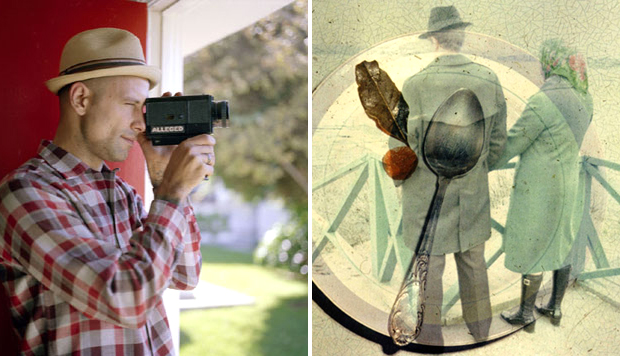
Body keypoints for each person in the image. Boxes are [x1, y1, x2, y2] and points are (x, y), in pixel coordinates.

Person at [0, 28, 216, 354]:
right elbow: (125, 300)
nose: (140, 124)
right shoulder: (24, 192)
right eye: (130, 103)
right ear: (81, 99)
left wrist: (165, 183)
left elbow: (185, 275)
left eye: (142, 108)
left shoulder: (122, 194)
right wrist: (170, 195)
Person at [393, 6, 507, 344]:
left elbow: (400, 148)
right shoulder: (488, 78)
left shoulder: (415, 84)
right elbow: (498, 140)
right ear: (462, 37)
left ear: (433, 39)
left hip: (425, 194)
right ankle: (481, 334)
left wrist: (401, 183)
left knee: (429, 266)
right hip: (472, 191)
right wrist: (475, 169)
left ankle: (431, 339)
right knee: (474, 262)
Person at [493, 39, 593, 332]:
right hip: (570, 184)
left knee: (532, 244)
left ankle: (525, 313)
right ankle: (555, 307)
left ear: (549, 64)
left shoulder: (543, 99)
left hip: (539, 187)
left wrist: (481, 163)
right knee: (562, 241)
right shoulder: (585, 97)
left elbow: (514, 143)